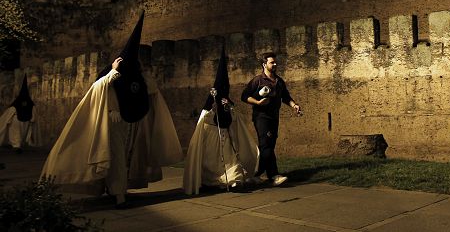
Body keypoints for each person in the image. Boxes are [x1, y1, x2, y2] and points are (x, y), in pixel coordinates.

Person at [40, 12, 182, 208]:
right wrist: (114, 72)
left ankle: (117, 189)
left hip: (132, 124)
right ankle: (119, 194)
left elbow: (150, 93)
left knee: (124, 159)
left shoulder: (138, 75)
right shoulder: (110, 73)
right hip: (110, 123)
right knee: (114, 158)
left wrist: (147, 83)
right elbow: (98, 88)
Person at [184, 46, 258, 194]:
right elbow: (204, 120)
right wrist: (213, 109)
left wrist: (229, 108)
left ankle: (234, 181)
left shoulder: (228, 102)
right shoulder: (209, 104)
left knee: (232, 163)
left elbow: (235, 120)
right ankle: (209, 182)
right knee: (210, 164)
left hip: (225, 137)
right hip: (211, 137)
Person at [241, 52, 301, 186]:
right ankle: (274, 175)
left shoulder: (279, 81)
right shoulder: (258, 80)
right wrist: (257, 103)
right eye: (271, 62)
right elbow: (244, 96)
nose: (275, 64)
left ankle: (255, 175)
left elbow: (285, 96)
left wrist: (294, 105)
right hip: (261, 117)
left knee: (269, 145)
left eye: (275, 62)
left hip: (274, 116)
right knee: (266, 144)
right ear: (264, 65)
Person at [0, 75, 41, 152]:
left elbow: (9, 114)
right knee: (20, 133)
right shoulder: (30, 103)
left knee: (15, 133)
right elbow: (33, 115)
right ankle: (17, 145)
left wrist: (6, 120)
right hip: (26, 119)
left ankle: (16, 145)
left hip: (16, 118)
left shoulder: (16, 103)